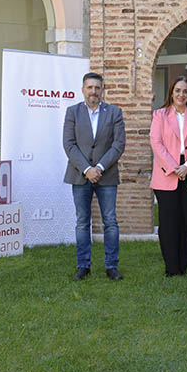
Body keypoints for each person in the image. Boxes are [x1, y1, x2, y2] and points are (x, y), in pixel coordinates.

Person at [63, 72, 126, 281]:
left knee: (110, 221)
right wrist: (86, 169)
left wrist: (98, 167)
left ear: (102, 89)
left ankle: (111, 266)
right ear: (83, 89)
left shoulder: (115, 112)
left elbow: (118, 144)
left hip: (106, 176)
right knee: (82, 222)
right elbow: (69, 144)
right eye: (89, 87)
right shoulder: (72, 112)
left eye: (97, 88)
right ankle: (83, 266)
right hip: (80, 176)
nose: (93, 91)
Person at [150, 76, 187, 276]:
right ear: (171, 93)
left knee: (185, 222)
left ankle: (182, 266)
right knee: (167, 224)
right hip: (167, 175)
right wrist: (176, 167)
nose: (181, 94)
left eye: (185, 91)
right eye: (177, 90)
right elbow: (156, 144)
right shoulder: (160, 115)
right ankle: (171, 267)